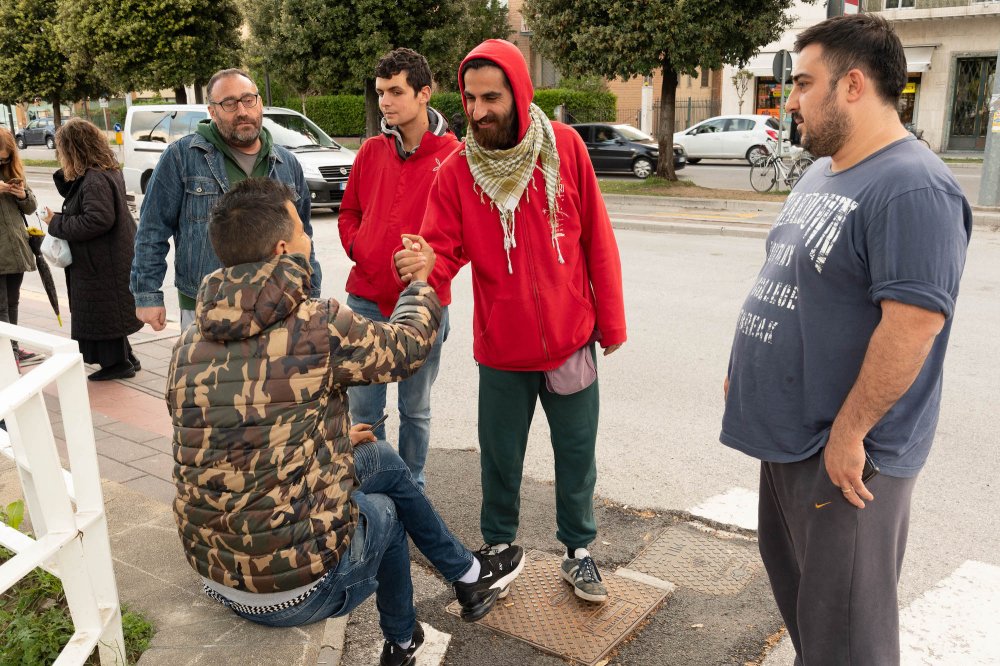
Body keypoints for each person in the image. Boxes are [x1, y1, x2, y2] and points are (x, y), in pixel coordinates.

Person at [166, 177, 524, 666]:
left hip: (215, 576)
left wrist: (332, 437)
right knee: (385, 513)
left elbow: (239, 438)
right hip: (297, 591)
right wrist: (422, 282)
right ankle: (403, 641)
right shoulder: (316, 324)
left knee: (376, 454)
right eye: (303, 228)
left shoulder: (187, 343)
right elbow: (408, 346)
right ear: (281, 248)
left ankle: (468, 577)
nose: (311, 240)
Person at [720, 14, 971, 666]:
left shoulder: (912, 186)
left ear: (853, 84)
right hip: (791, 440)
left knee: (851, 643)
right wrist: (742, 366)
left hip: (850, 460)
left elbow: (913, 325)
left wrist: (851, 432)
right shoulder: (824, 171)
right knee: (814, 622)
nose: (790, 100)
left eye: (803, 83)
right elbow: (785, 277)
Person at [406, 39, 627, 604]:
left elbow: (596, 238)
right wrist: (430, 265)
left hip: (573, 340)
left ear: (520, 94)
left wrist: (612, 321)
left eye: (491, 98)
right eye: (470, 98)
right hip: (502, 348)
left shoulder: (567, 148)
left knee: (577, 454)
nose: (478, 111)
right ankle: (500, 548)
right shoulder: (457, 171)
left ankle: (579, 550)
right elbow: (441, 249)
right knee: (500, 456)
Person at [338, 48, 459, 488]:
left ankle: (413, 487)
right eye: (380, 93)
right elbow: (348, 212)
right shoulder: (370, 151)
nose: (385, 102)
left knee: (416, 409)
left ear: (424, 93)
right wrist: (361, 246)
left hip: (423, 304)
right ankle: (376, 484)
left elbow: (462, 240)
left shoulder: (454, 156)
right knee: (365, 410)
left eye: (395, 92)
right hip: (365, 299)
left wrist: (432, 268)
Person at [131, 68, 322, 333]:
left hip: (279, 303)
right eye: (229, 103)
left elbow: (304, 236)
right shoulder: (181, 157)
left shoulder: (286, 163)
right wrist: (147, 295)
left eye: (248, 100)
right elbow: (152, 229)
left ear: (260, 103)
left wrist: (312, 292)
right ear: (212, 111)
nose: (242, 110)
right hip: (208, 305)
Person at [43, 118, 143, 381]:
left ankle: (117, 364)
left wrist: (56, 222)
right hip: (107, 256)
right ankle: (125, 357)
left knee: (103, 311)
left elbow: (97, 220)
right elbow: (80, 198)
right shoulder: (102, 171)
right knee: (109, 310)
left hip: (100, 260)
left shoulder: (95, 179)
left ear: (73, 148)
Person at [0, 128, 40, 365]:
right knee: (1, 307)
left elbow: (31, 207)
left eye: (5, 158)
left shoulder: (12, 170)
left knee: (13, 302)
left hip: (15, 248)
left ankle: (13, 348)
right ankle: (6, 355)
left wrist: (21, 193)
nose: (2, 162)